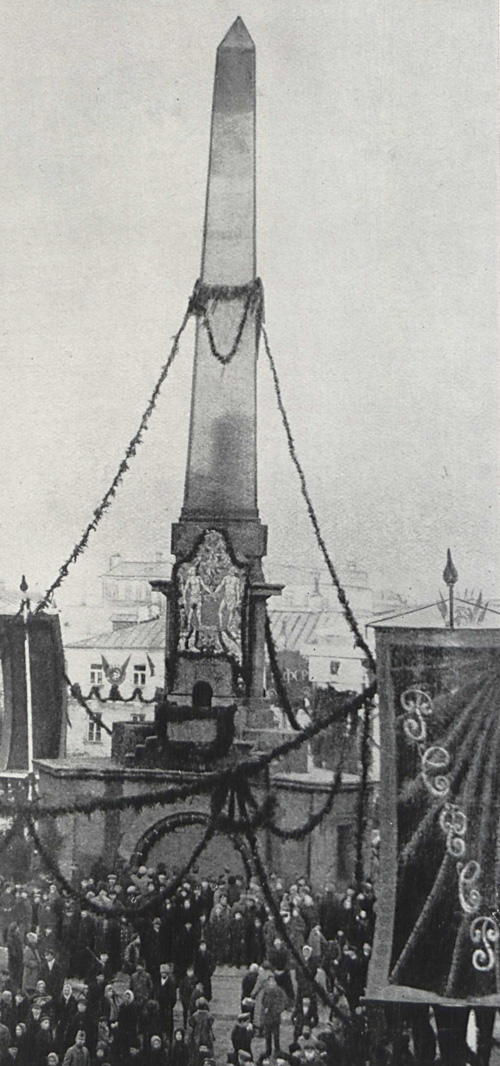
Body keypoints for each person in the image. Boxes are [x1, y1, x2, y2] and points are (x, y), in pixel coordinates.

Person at [261, 975, 287, 1058]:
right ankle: (268, 1050)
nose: (271, 983)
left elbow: (284, 1001)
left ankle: (277, 1050)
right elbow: (263, 1000)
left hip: (275, 1016)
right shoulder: (266, 990)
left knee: (276, 1034)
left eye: (273, 981)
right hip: (267, 1016)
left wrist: (278, 1010)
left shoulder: (279, 991)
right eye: (270, 981)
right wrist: (265, 1008)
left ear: (275, 982)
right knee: (267, 1034)